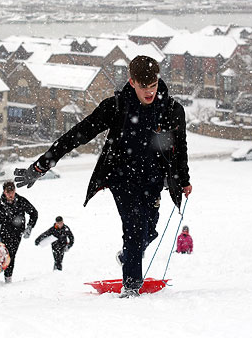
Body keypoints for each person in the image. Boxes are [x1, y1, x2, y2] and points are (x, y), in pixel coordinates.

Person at [14, 55, 192, 298]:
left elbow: (179, 147)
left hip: (153, 180)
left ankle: (128, 255)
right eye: (143, 87)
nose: (149, 92)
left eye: (153, 86)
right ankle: (130, 287)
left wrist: (184, 179)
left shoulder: (171, 110)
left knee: (149, 230)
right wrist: (40, 166)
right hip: (122, 177)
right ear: (132, 82)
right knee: (134, 226)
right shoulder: (116, 107)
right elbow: (77, 134)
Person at [0, 180, 38, 283]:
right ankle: (7, 275)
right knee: (8, 254)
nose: (11, 194)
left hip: (17, 233)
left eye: (12, 191)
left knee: (11, 254)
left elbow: (34, 213)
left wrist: (29, 227)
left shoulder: (21, 201)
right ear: (4, 192)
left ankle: (7, 276)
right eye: (8, 192)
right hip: (4, 232)